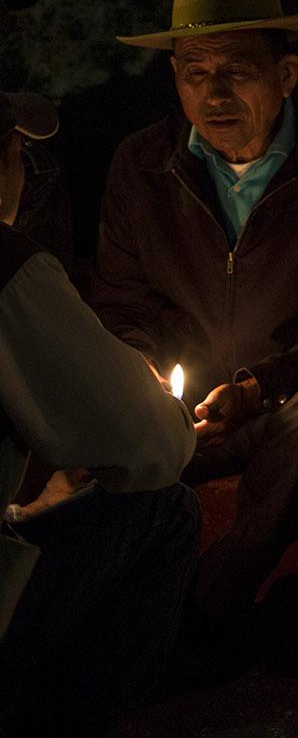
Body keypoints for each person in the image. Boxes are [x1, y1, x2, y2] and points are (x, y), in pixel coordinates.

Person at [89, 0, 298, 661]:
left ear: (285, 75)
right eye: (194, 73)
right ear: (174, 78)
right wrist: (143, 382)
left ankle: (202, 614)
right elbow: (119, 304)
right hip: (180, 408)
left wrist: (261, 384)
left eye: (236, 70)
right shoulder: (141, 167)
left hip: (286, 406)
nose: (214, 93)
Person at [0, 89, 200, 736]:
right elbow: (152, 448)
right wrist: (163, 413)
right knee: (167, 510)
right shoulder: (10, 268)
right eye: (18, 158)